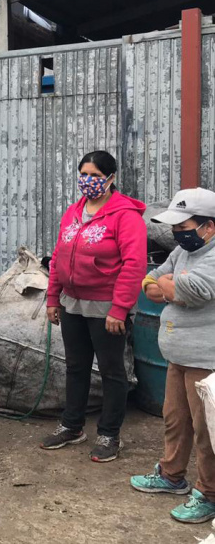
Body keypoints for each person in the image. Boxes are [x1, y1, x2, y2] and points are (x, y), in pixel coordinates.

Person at [42, 150, 147, 462]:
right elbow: (60, 255)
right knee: (75, 366)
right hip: (72, 302)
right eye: (83, 174)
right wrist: (52, 297)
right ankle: (73, 426)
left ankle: (109, 434)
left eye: (96, 176)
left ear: (111, 179)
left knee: (112, 371)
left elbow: (134, 265)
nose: (88, 181)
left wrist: (120, 308)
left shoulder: (125, 216)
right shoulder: (74, 211)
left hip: (105, 306)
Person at [130, 188, 215, 523]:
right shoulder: (182, 253)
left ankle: (209, 493)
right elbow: (149, 281)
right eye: (175, 227)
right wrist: (169, 284)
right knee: (175, 419)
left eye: (184, 225)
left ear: (208, 227)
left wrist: (171, 287)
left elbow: (196, 291)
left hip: (206, 360)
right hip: (177, 355)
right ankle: (171, 475)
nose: (178, 233)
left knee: (206, 429)